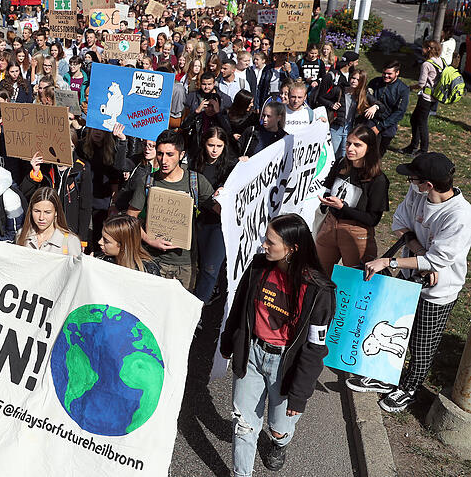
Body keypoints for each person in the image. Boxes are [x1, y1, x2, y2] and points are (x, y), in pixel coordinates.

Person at [351, 153, 471, 413]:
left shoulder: (460, 216)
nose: (409, 181)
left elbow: (438, 260)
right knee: (397, 326)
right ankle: (387, 374)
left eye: (414, 178)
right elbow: (399, 223)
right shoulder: (417, 194)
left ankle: (410, 387)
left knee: (422, 342)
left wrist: (390, 263)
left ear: (428, 184)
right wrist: (418, 252)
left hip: (438, 291)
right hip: (410, 279)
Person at [220, 214, 337, 476]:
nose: (263, 245)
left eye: (271, 242)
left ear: (292, 249)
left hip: (285, 366)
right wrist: (229, 342)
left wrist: (299, 394)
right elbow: (239, 307)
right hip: (252, 355)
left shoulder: (319, 290)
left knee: (278, 427)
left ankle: (279, 442)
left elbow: (315, 347)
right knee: (245, 425)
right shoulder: (259, 266)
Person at [126, 129, 213, 289]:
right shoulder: (147, 181)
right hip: (151, 260)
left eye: (170, 154)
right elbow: (131, 217)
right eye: (160, 154)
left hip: (184, 264)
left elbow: (220, 210)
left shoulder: (196, 181)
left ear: (181, 155)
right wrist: (149, 240)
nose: (163, 160)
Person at [315, 125, 389, 269]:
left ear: (369, 148)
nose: (350, 148)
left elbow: (372, 219)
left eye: (357, 145)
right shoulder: (341, 163)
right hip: (330, 226)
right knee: (319, 272)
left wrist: (343, 207)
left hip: (356, 233)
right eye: (348, 143)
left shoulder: (378, 180)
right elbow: (328, 188)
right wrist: (326, 202)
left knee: (353, 280)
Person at [193, 127, 237, 303]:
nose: (214, 150)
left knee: (209, 269)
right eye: (211, 145)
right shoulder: (196, 163)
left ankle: (199, 310)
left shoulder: (231, 167)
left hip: (219, 224)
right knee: (198, 265)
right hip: (198, 220)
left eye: (219, 145)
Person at [400, 40, 442, 156]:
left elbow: (421, 84)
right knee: (414, 119)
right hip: (434, 97)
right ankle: (413, 146)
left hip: (426, 98)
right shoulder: (440, 61)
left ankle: (423, 150)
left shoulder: (427, 64)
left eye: (423, 48)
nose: (421, 50)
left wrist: (409, 87)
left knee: (421, 123)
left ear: (428, 49)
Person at [15, 187, 83, 255]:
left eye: (47, 212)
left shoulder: (70, 241)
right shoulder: (21, 235)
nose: (41, 217)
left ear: (56, 212)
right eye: (37, 211)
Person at [365, 60, 410, 156]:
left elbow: (399, 112)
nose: (386, 76)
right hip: (370, 120)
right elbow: (366, 96)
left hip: (387, 125)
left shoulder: (403, 89)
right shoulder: (375, 82)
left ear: (397, 73)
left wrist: (379, 127)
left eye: (389, 74)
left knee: (378, 154)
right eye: (384, 73)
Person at [95, 215, 160, 275]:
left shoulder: (148, 271)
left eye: (106, 241)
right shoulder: (101, 259)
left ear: (123, 245)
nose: (99, 242)